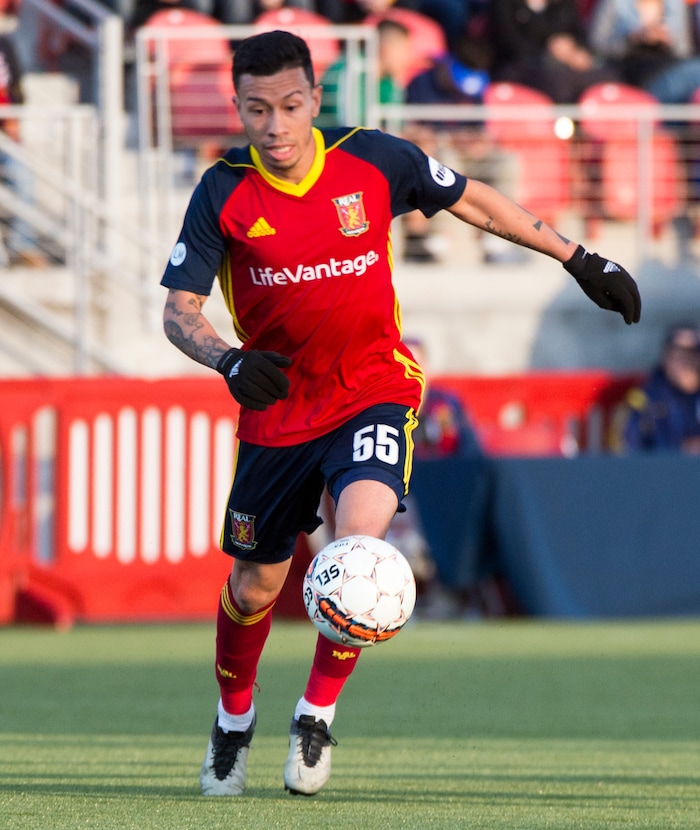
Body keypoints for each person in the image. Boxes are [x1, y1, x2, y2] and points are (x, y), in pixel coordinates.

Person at [160, 30, 641, 798]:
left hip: (371, 388)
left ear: (316, 99)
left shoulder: (373, 158)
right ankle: (232, 720)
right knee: (254, 586)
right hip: (279, 409)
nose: (276, 126)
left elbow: (472, 199)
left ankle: (315, 713)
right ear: (239, 108)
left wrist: (577, 258)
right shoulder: (221, 191)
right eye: (258, 110)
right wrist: (227, 359)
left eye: (290, 106)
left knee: (362, 555)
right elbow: (179, 310)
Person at [489, 0, 620, 103]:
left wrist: (575, 52)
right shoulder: (505, 3)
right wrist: (551, 51)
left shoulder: (564, 4)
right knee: (558, 83)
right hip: (522, 68)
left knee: (609, 77)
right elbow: (510, 43)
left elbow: (578, 34)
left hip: (566, 65)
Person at [588, 0, 700, 104]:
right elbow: (597, 46)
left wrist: (667, 39)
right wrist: (633, 39)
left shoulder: (675, 4)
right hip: (633, 71)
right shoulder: (615, 3)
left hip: (671, 66)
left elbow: (684, 50)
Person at [620, 324, 700, 451]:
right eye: (678, 356)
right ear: (666, 358)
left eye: (692, 356)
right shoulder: (645, 397)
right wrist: (680, 450)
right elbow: (628, 447)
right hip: (660, 469)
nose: (686, 363)